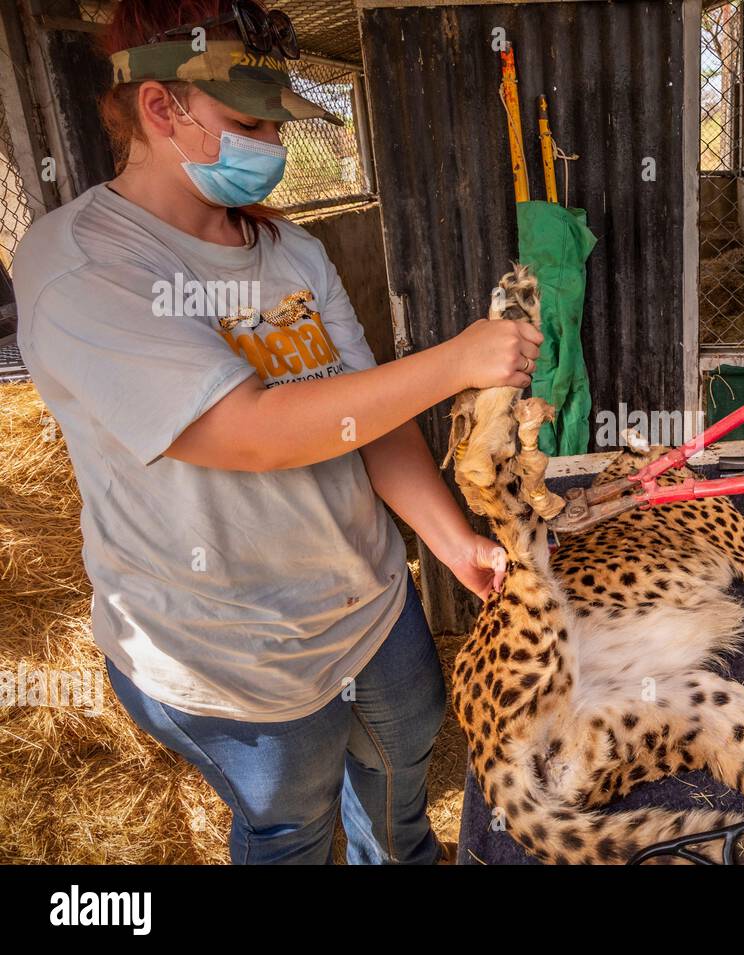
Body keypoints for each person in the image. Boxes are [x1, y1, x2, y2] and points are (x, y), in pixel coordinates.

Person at [12, 0, 541, 864]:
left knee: (406, 760)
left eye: (274, 122)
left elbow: (364, 413)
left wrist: (449, 541)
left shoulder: (290, 250)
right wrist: (455, 361)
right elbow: (247, 431)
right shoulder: (82, 263)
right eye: (247, 122)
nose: (272, 147)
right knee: (290, 823)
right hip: (233, 653)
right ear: (160, 109)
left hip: (370, 600)